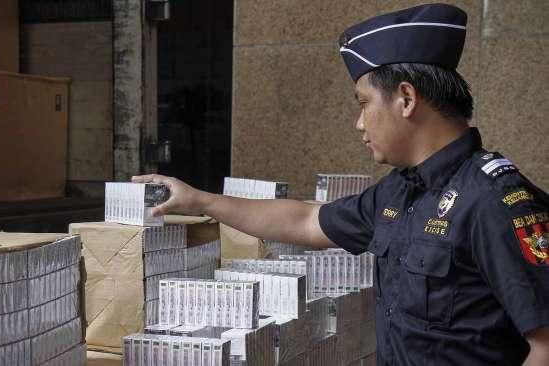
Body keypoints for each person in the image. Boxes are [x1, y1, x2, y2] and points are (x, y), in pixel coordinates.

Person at [133, 3, 549, 365]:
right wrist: (201, 199)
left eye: (364, 103)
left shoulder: (492, 199)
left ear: (405, 99)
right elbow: (307, 220)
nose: (359, 122)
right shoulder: (401, 191)